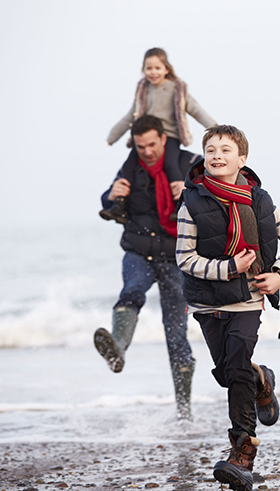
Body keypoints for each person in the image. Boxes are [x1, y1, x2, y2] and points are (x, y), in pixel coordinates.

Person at [176, 125, 280, 491]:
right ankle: (262, 380)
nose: (217, 155)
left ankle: (243, 452)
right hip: (205, 301)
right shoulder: (192, 203)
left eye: (226, 150)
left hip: (247, 300)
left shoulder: (260, 201)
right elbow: (184, 258)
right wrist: (229, 268)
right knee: (230, 372)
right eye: (211, 149)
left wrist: (279, 273)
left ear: (241, 159)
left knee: (234, 366)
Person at [95, 114, 200, 421]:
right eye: (140, 146)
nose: (147, 151)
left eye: (152, 144)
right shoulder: (131, 169)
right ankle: (118, 348)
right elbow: (108, 199)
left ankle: (184, 411)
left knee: (176, 334)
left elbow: (215, 196)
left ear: (163, 139)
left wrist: (190, 191)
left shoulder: (186, 163)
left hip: (177, 258)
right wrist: (110, 194)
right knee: (131, 290)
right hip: (138, 250)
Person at [101, 47, 216, 223]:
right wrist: (112, 137)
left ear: (166, 69)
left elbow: (196, 110)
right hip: (144, 134)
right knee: (128, 166)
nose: (153, 72)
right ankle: (120, 205)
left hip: (169, 135)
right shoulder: (143, 91)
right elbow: (130, 116)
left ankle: (180, 203)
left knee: (171, 165)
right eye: (149, 68)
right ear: (143, 70)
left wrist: (215, 128)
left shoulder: (176, 89)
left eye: (157, 68)